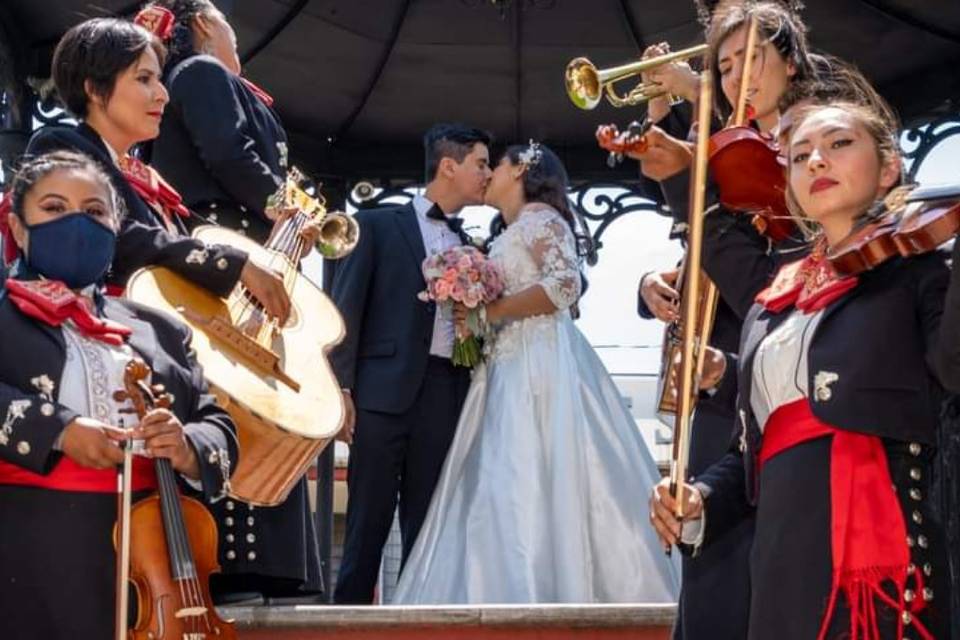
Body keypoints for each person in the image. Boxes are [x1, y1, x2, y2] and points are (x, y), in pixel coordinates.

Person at [650, 101, 955, 639]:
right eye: (798, 156)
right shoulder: (775, 300)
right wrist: (701, 499)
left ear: (888, 169)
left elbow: (953, 370)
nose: (816, 161)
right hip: (780, 562)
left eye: (839, 144)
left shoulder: (917, 269)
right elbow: (753, 449)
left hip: (883, 557)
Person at [392, 142, 680, 604]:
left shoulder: (542, 219)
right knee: (497, 483)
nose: (486, 175)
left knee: (537, 470)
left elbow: (564, 286)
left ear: (521, 168)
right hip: (503, 367)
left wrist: (492, 313)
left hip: (541, 366)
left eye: (494, 165)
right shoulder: (510, 230)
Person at [0, 150, 238, 639]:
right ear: (18, 228)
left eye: (93, 211)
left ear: (114, 227)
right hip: (27, 545)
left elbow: (219, 424)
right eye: (52, 207)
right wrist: (60, 431)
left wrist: (187, 444)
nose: (76, 222)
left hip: (154, 556)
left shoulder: (162, 329)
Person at [135, 1, 326, 599]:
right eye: (222, 14)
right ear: (201, 24)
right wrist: (283, 206)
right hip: (226, 261)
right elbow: (226, 152)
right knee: (235, 398)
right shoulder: (200, 74)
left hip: (243, 261)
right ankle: (240, 563)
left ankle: (249, 564)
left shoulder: (217, 83)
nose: (233, 26)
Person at [23, 17, 291, 320]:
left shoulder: (149, 182)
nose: (162, 93)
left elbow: (178, 245)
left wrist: (280, 240)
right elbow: (112, 236)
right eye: (144, 79)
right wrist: (232, 264)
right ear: (95, 90)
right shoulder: (59, 145)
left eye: (158, 79)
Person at [329, 123, 492, 604]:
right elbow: (346, 308)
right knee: (366, 523)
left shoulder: (473, 243)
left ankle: (421, 620)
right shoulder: (377, 224)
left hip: (446, 391)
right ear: (449, 165)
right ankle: (348, 626)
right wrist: (341, 389)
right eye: (480, 163)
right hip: (381, 394)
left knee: (427, 526)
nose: (486, 174)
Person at [148, 0, 289, 245]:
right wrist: (287, 210)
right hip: (225, 239)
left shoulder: (185, 77)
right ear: (203, 24)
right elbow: (228, 154)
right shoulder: (201, 69)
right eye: (224, 21)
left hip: (222, 238)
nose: (234, 36)